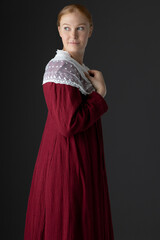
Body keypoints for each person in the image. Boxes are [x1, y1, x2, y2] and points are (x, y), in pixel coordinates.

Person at [24, 4, 114, 240]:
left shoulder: (78, 69)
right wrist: (99, 94)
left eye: (80, 28)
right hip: (66, 166)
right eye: (67, 28)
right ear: (59, 31)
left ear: (90, 30)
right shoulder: (60, 67)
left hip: (78, 162)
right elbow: (68, 124)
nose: (73, 35)